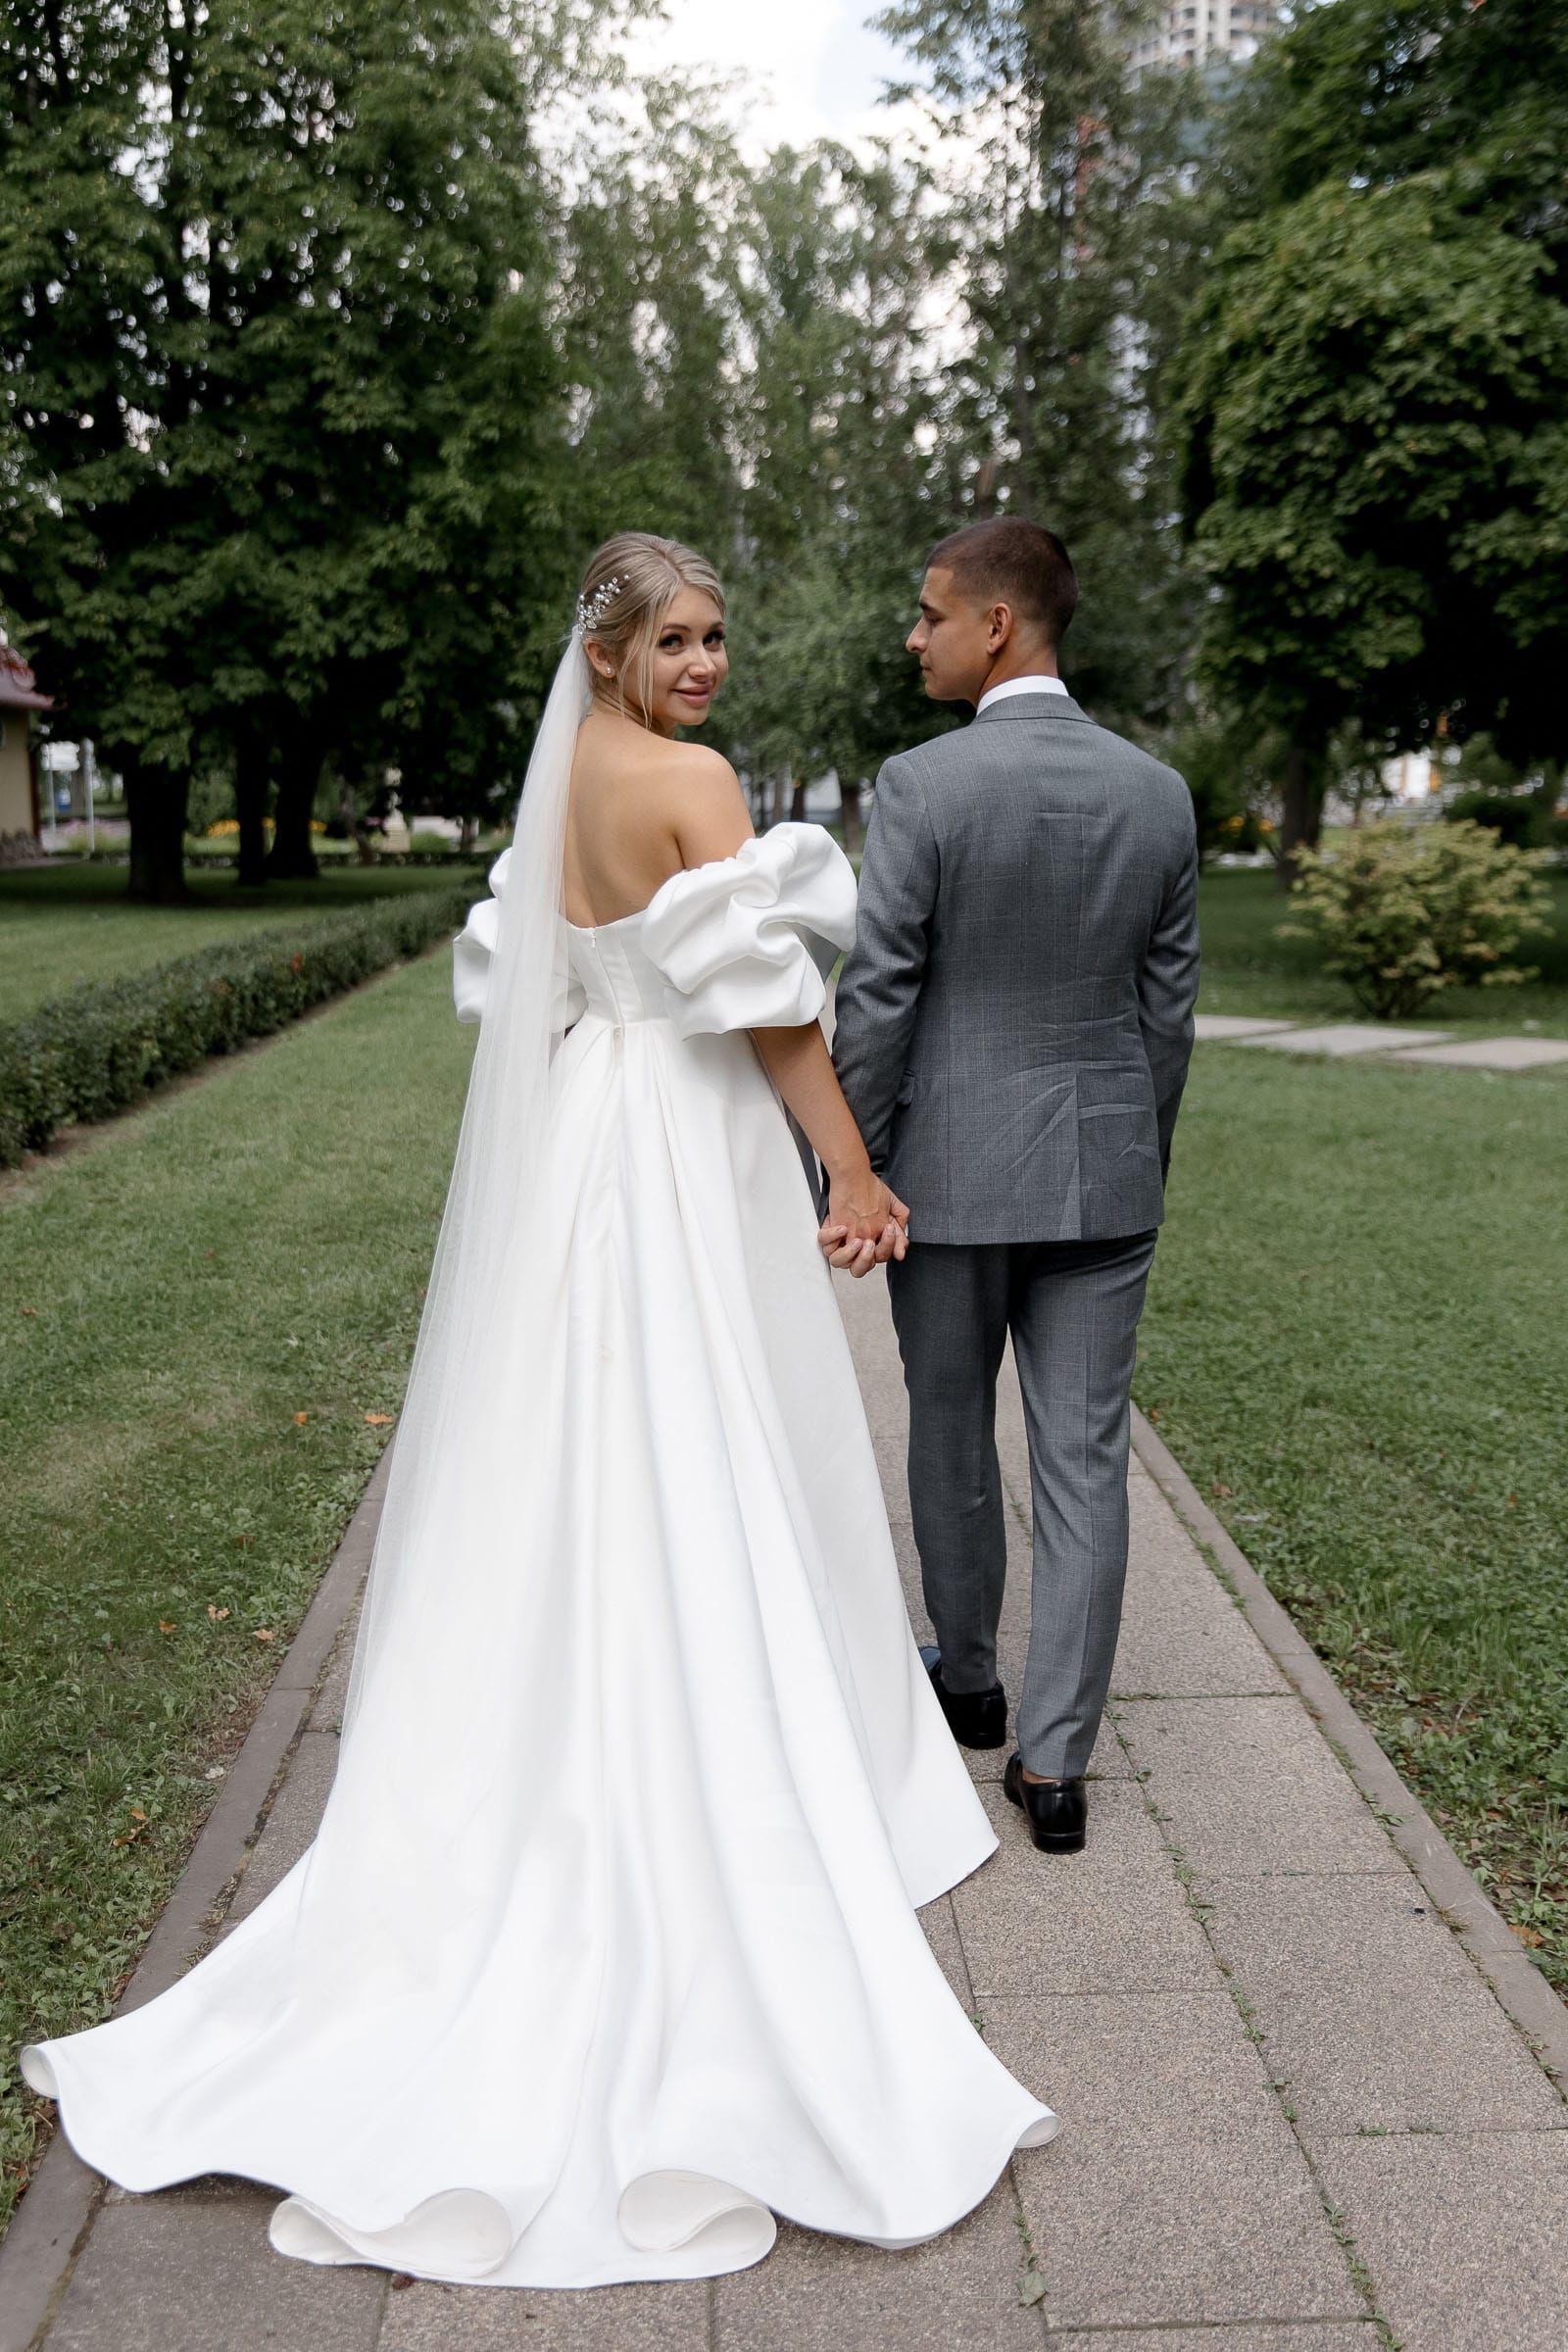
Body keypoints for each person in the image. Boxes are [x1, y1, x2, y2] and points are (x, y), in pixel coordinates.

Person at [22, 532, 1056, 2292]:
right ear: (608, 649)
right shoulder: (697, 784)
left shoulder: (559, 780)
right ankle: (720, 1759)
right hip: (683, 1148)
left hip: (586, 1136)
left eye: (719, 635)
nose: (708, 662)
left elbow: (551, 984)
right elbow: (767, 1016)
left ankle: (539, 1755)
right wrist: (858, 1178)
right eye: (676, 637)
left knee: (570, 1445)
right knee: (710, 1437)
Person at [829, 518, 1200, 1858]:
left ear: (999, 626)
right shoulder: (1157, 794)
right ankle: (1056, 1769)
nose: (913, 635)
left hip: (946, 1177)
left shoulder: (923, 786)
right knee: (1086, 1463)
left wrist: (851, 1166)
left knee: (946, 1425)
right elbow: (1169, 1014)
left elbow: (879, 996)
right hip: (1106, 1177)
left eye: (930, 614)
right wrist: (1131, 1155)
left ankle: (971, 1683)